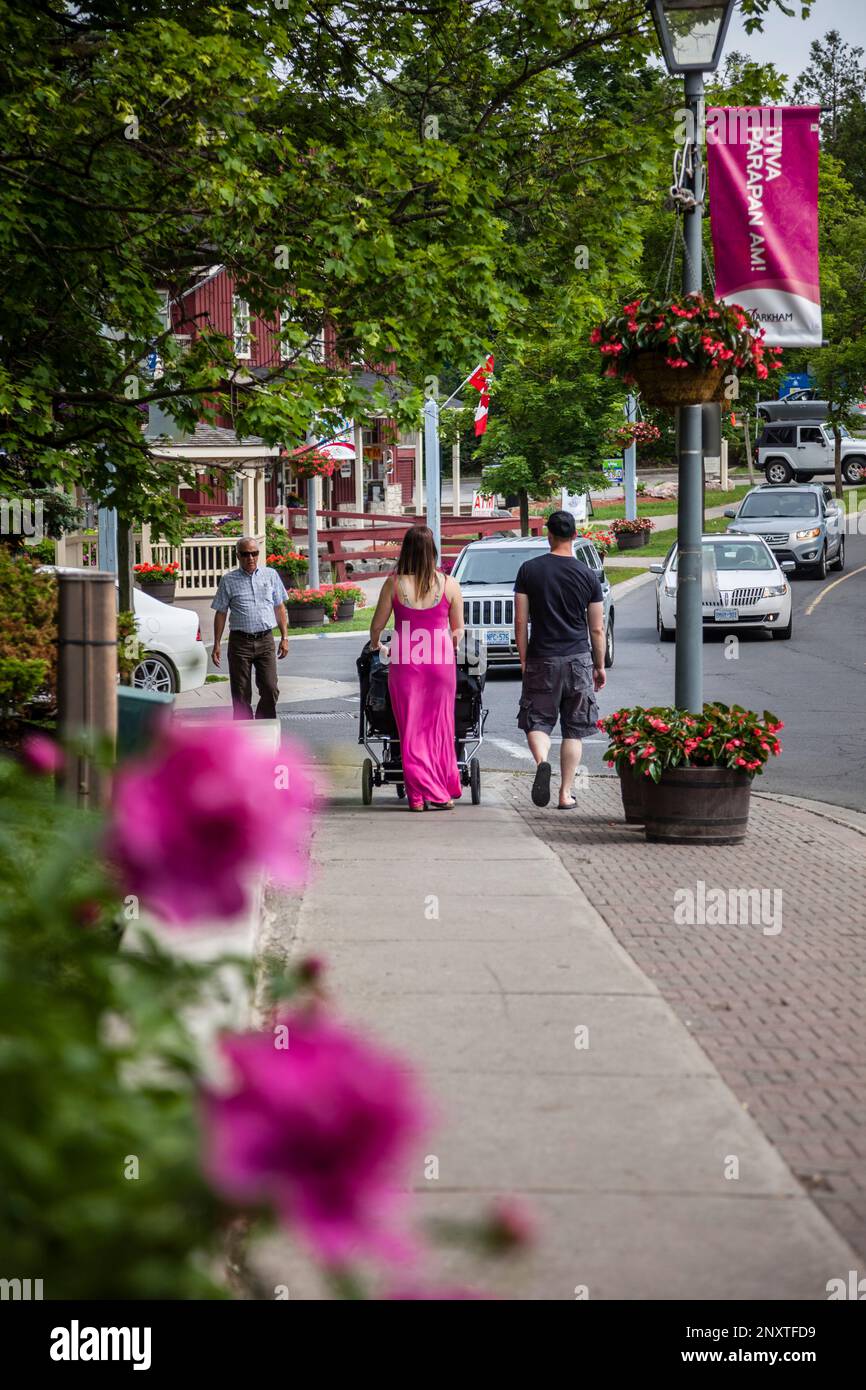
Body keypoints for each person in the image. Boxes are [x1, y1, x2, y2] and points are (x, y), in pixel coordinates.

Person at [514, 510, 606, 809]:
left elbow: (520, 620)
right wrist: (599, 665)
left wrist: (525, 659)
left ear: (548, 535)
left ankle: (542, 761)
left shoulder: (529, 570)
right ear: (575, 536)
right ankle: (565, 794)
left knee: (537, 720)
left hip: (543, 656)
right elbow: (597, 627)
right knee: (574, 729)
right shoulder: (588, 574)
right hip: (578, 658)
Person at [368, 525, 464, 811]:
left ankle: (419, 796)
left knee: (410, 730)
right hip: (440, 662)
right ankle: (439, 789)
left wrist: (377, 645)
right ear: (432, 552)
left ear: (405, 551)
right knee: (439, 730)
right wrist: (449, 647)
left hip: (406, 662)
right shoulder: (449, 584)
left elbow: (377, 625)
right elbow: (458, 630)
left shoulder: (394, 584)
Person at [211, 537, 289, 719]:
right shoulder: (228, 580)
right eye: (246, 554)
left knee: (270, 688)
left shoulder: (270, 575)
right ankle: (244, 735)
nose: (251, 558)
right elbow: (221, 613)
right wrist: (216, 644)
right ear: (238, 555)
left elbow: (279, 607)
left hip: (265, 640)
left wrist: (285, 637)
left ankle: (264, 727)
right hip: (240, 643)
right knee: (240, 693)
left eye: (254, 553)